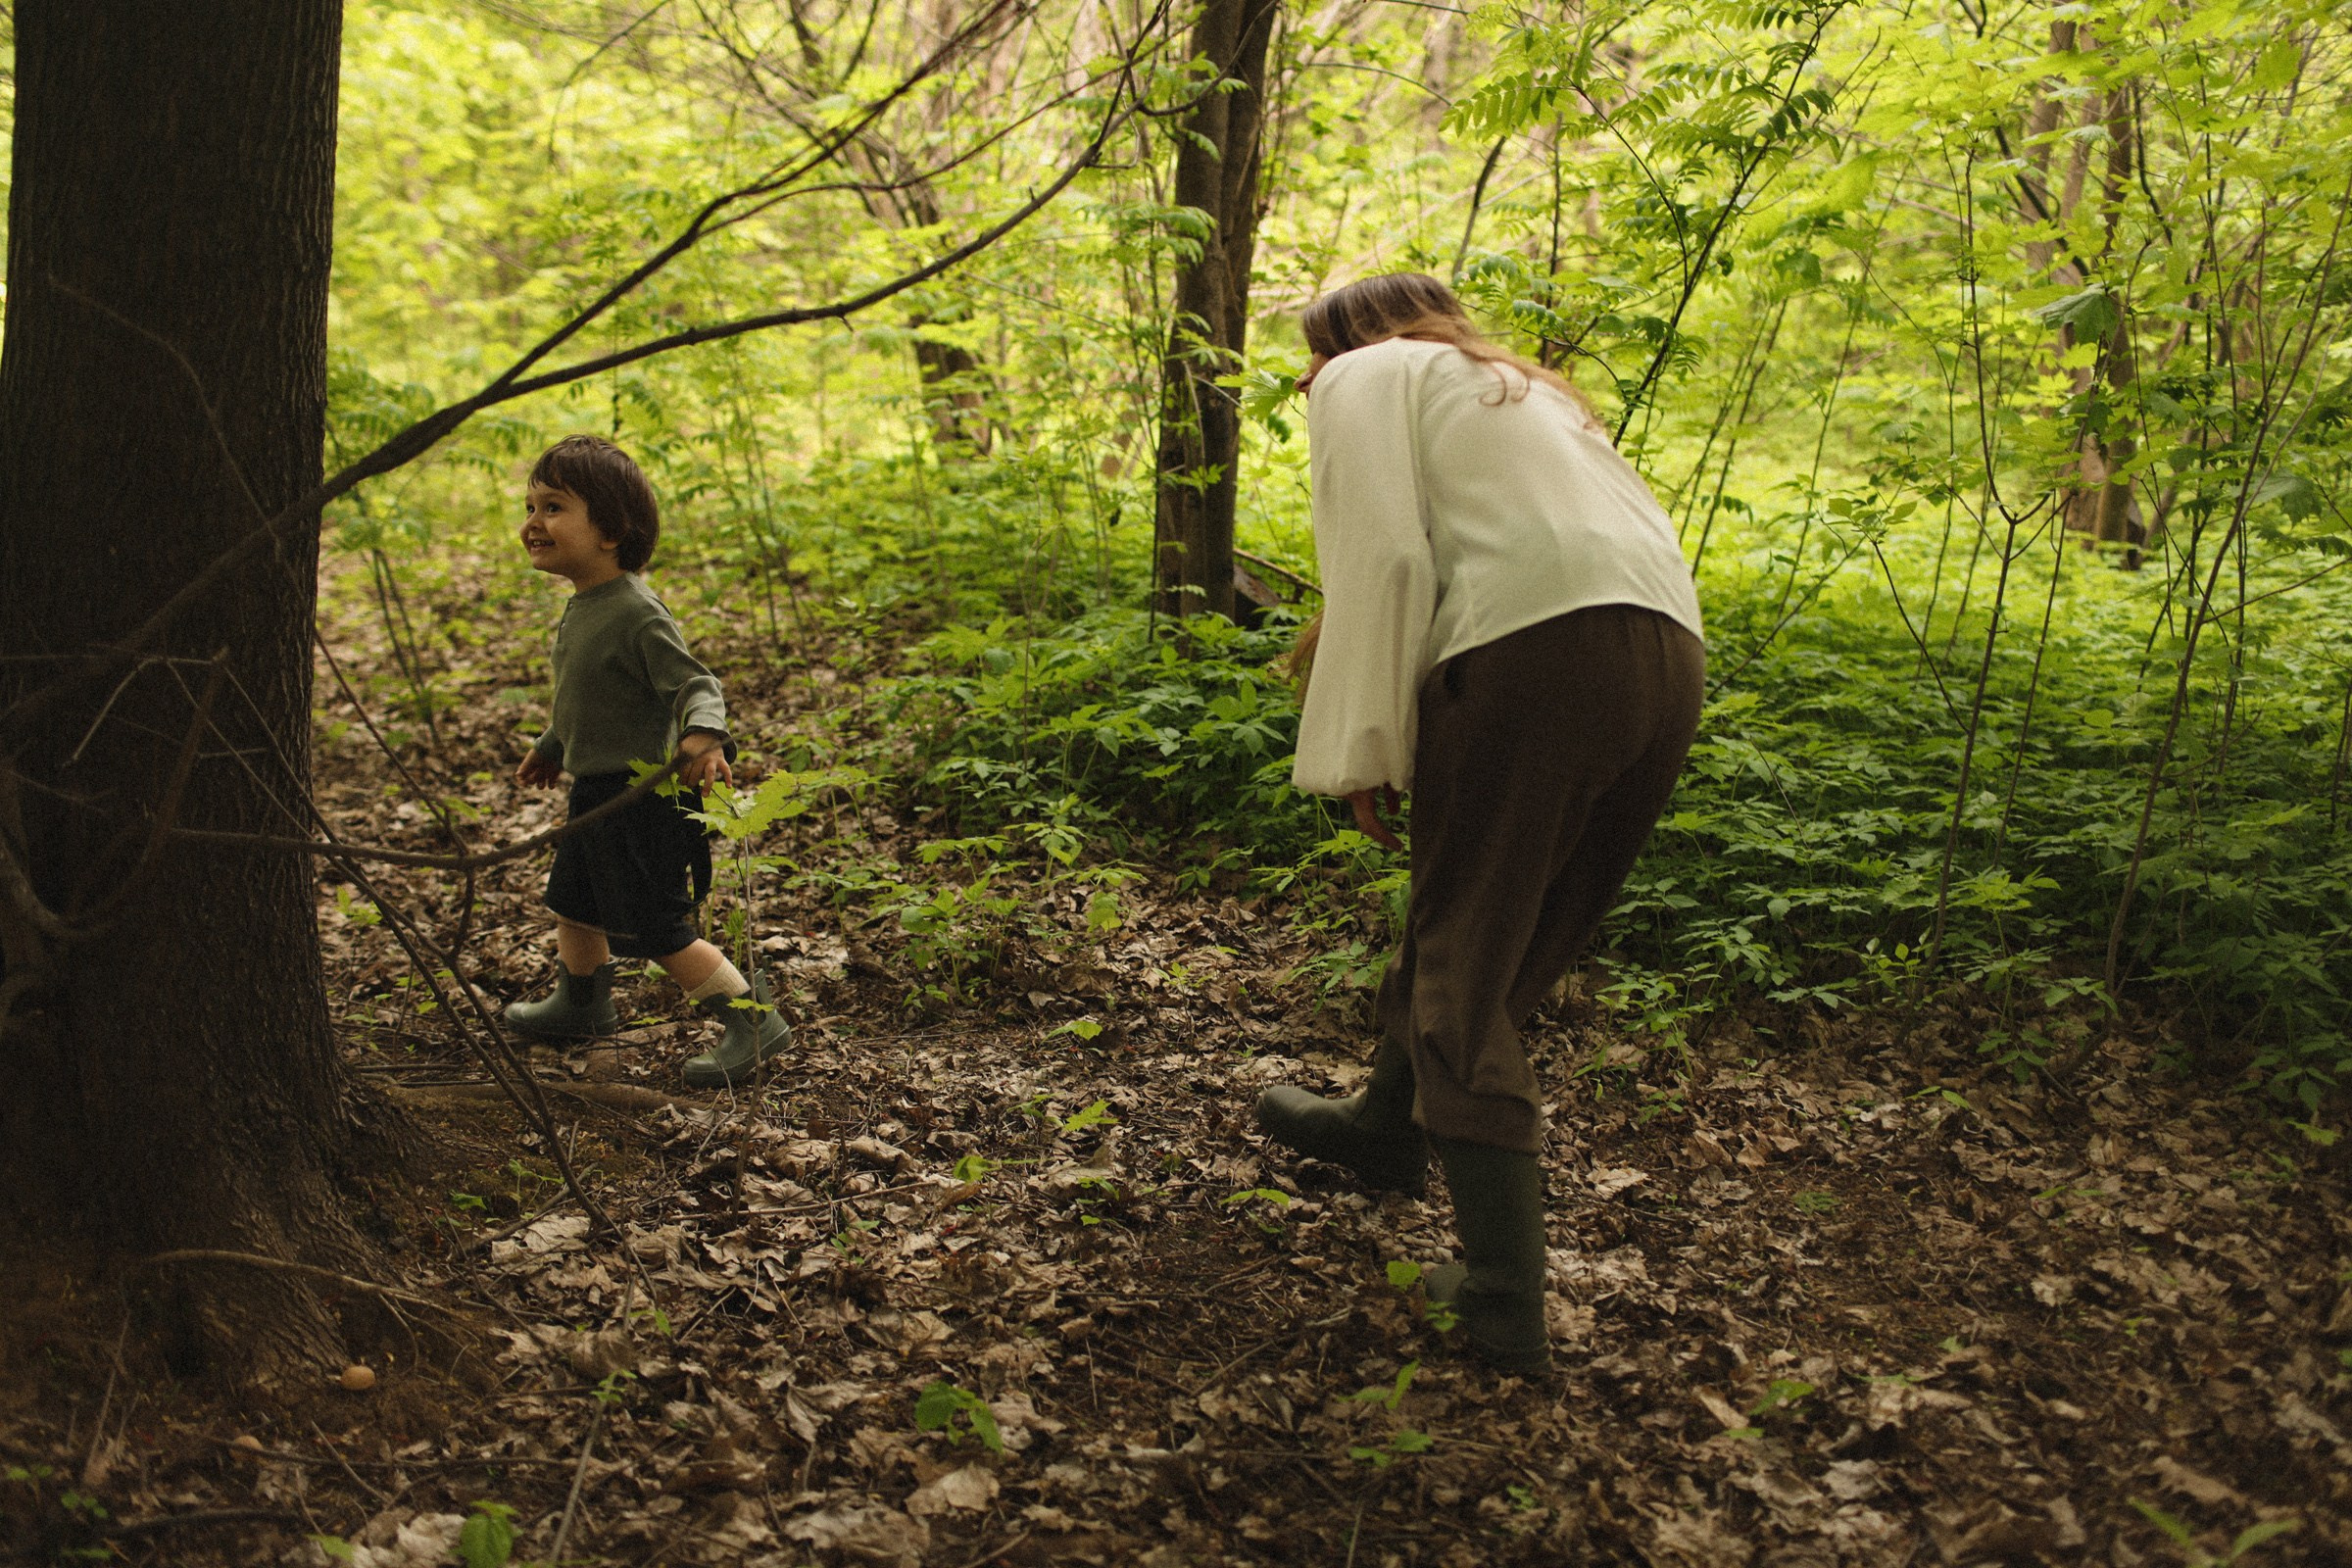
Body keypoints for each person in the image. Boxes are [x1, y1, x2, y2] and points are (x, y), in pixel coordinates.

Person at [1254, 273, 1705, 1374]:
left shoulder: (1365, 375)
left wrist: (1365, 744)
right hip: (1665, 651)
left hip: (1532, 650)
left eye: (1315, 352)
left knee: (1465, 959)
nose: (1308, 377)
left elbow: (1386, 560)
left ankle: (1503, 1295)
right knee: (1495, 929)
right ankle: (1383, 1126)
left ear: (1348, 342)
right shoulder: (1523, 391)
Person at [503, 434, 791, 1090]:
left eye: (553, 507)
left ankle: (753, 1019)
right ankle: (581, 1001)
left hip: (639, 799)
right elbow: (593, 696)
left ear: (612, 530)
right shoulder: (585, 605)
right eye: (530, 506)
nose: (532, 522)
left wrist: (705, 735)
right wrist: (554, 745)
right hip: (593, 791)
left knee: (657, 927)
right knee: (573, 902)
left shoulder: (637, 609)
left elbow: (695, 685)